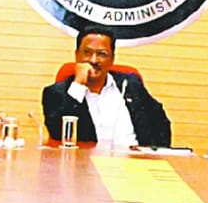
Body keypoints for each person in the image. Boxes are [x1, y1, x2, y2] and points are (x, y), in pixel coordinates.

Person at [41, 24, 171, 147]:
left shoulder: (131, 85)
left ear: (112, 59)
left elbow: (161, 124)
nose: (93, 60)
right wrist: (78, 85)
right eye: (87, 52)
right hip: (86, 161)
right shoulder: (55, 93)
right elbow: (57, 132)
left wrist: (154, 153)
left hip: (133, 160)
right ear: (76, 55)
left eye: (102, 54)